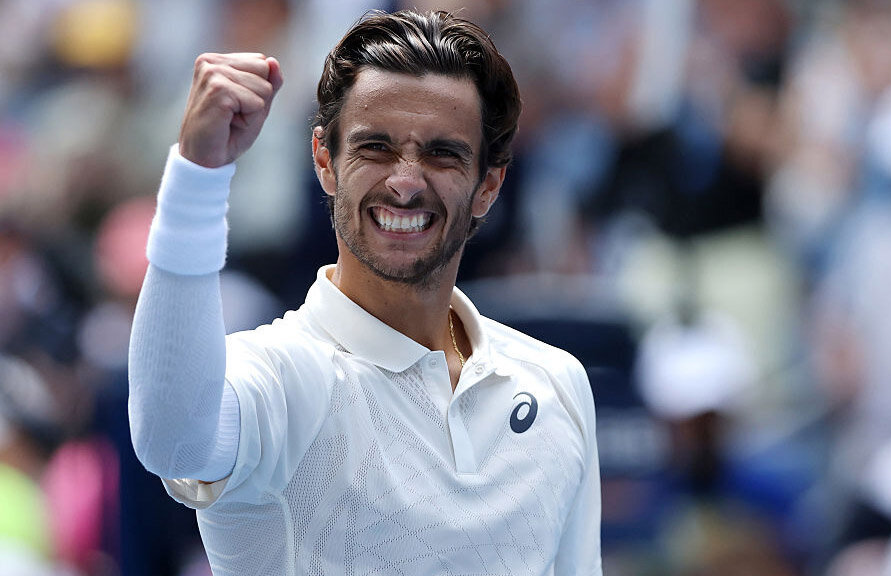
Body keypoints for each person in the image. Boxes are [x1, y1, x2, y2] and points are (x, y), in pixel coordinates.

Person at [128, 9, 602, 575]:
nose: (405, 182)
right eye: (375, 147)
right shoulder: (282, 378)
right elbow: (172, 441)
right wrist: (198, 175)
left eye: (442, 154)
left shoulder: (557, 382)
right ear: (324, 161)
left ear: (489, 185)